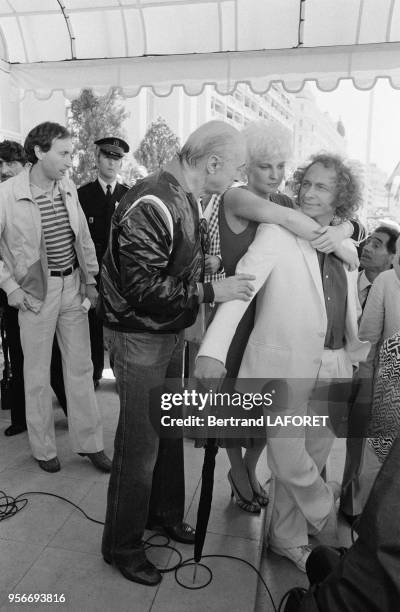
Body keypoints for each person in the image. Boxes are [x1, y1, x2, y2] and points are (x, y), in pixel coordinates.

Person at [99, 120, 267, 587]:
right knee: (139, 448)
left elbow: (166, 262)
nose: (235, 179)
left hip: (164, 334)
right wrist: (212, 289)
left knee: (168, 433)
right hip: (140, 337)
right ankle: (121, 545)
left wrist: (202, 264)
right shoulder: (153, 199)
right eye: (234, 170)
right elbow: (143, 288)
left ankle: (165, 514)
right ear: (211, 163)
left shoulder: (184, 194)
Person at [196, 153, 370, 572]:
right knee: (289, 458)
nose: (309, 192)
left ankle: (286, 538)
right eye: (306, 183)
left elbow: (357, 238)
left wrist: (350, 357)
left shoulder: (344, 244)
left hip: (334, 363)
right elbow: (243, 292)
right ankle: (325, 507)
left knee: (316, 449)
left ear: (340, 196)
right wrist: (212, 350)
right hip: (285, 367)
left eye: (322, 187)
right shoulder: (277, 231)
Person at [0, 122, 111, 473]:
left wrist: (91, 281)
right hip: (35, 293)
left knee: (80, 369)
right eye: (63, 153)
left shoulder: (66, 186)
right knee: (35, 374)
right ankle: (43, 448)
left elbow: (83, 238)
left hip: (72, 288)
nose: (69, 160)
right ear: (38, 152)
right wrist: (12, 289)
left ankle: (90, 443)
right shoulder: (6, 194)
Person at [0, 139, 67, 437]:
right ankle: (20, 418)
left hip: (38, 288)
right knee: (16, 352)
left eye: (9, 162)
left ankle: (68, 408)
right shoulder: (4, 195)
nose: (4, 169)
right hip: (10, 291)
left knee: (48, 356)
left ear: (24, 162)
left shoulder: (34, 190)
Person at [340, 224, 399, 522]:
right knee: (318, 440)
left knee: (362, 447)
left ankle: (351, 504)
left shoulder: (389, 284)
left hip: (373, 378)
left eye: (378, 245)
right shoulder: (344, 279)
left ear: (393, 257)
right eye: (369, 242)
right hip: (337, 370)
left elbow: (374, 337)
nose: (368, 248)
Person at [78, 137, 130, 388]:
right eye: (107, 156)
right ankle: (94, 373)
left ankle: (121, 374)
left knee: (120, 324)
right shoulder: (82, 194)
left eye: (117, 158)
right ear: (97, 159)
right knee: (91, 324)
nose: (112, 162)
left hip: (121, 272)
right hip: (92, 270)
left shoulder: (129, 195)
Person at [357, 225, 399, 310]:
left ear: (392, 258)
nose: (366, 248)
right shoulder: (346, 282)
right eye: (367, 242)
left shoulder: (396, 295)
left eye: (376, 245)